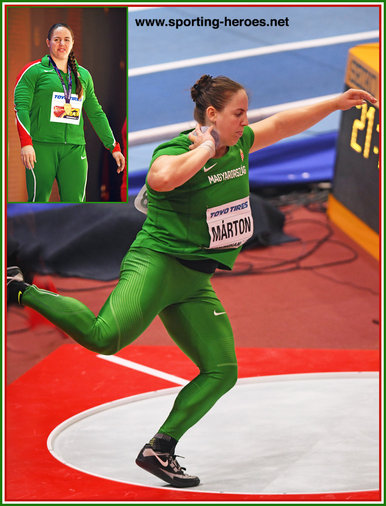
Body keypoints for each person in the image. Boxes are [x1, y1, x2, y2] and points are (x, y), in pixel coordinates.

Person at [7, 75, 376, 487]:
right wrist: (203, 146)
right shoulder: (178, 149)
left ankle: (160, 448)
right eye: (238, 113)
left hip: (196, 279)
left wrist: (335, 103)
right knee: (103, 338)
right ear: (212, 114)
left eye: (246, 113)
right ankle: (19, 287)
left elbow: (283, 124)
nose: (246, 121)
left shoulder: (239, 145)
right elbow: (161, 180)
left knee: (221, 370)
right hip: (158, 264)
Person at [14, 23, 125, 203]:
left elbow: (96, 113)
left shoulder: (83, 75)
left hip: (74, 149)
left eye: (66, 40)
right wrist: (26, 143)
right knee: (38, 202)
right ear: (48, 42)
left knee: (76, 205)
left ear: (72, 43)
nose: (61, 44)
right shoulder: (34, 71)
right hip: (41, 148)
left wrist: (113, 146)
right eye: (57, 40)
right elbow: (21, 108)